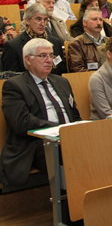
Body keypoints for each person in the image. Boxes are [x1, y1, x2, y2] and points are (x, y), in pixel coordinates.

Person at [0, 38, 81, 187]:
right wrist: (57, 129)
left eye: (51, 55)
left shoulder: (61, 82)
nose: (49, 60)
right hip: (36, 143)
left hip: (68, 136)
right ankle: (71, 201)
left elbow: (74, 114)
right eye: (43, 56)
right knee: (71, 154)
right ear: (28, 60)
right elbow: (22, 122)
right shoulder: (14, 86)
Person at [2, 3, 66, 74]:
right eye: (38, 19)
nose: (42, 23)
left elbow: (61, 71)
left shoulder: (55, 42)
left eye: (45, 20)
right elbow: (11, 77)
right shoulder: (13, 46)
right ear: (27, 21)